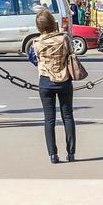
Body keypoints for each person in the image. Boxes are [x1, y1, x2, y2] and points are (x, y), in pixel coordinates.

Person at [31, 9, 77, 163]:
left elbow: (34, 59)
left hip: (45, 81)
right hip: (64, 80)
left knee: (49, 119)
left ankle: (53, 154)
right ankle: (71, 153)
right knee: (68, 117)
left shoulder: (36, 43)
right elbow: (72, 54)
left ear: (38, 27)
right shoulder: (64, 39)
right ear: (52, 23)